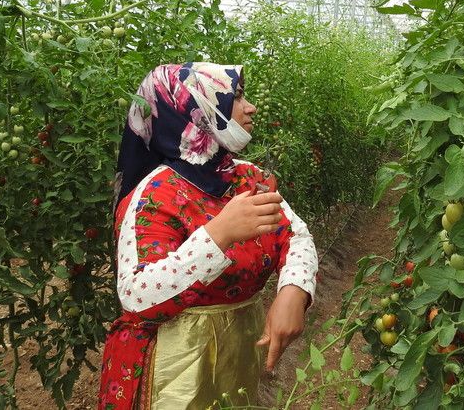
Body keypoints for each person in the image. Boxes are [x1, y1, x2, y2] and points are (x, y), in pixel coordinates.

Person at [98, 62, 318, 410]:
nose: (251, 107)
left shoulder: (248, 178)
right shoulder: (155, 194)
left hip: (237, 356)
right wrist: (219, 234)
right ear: (196, 111)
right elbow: (136, 295)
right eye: (237, 97)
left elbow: (295, 235)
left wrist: (294, 289)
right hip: (173, 367)